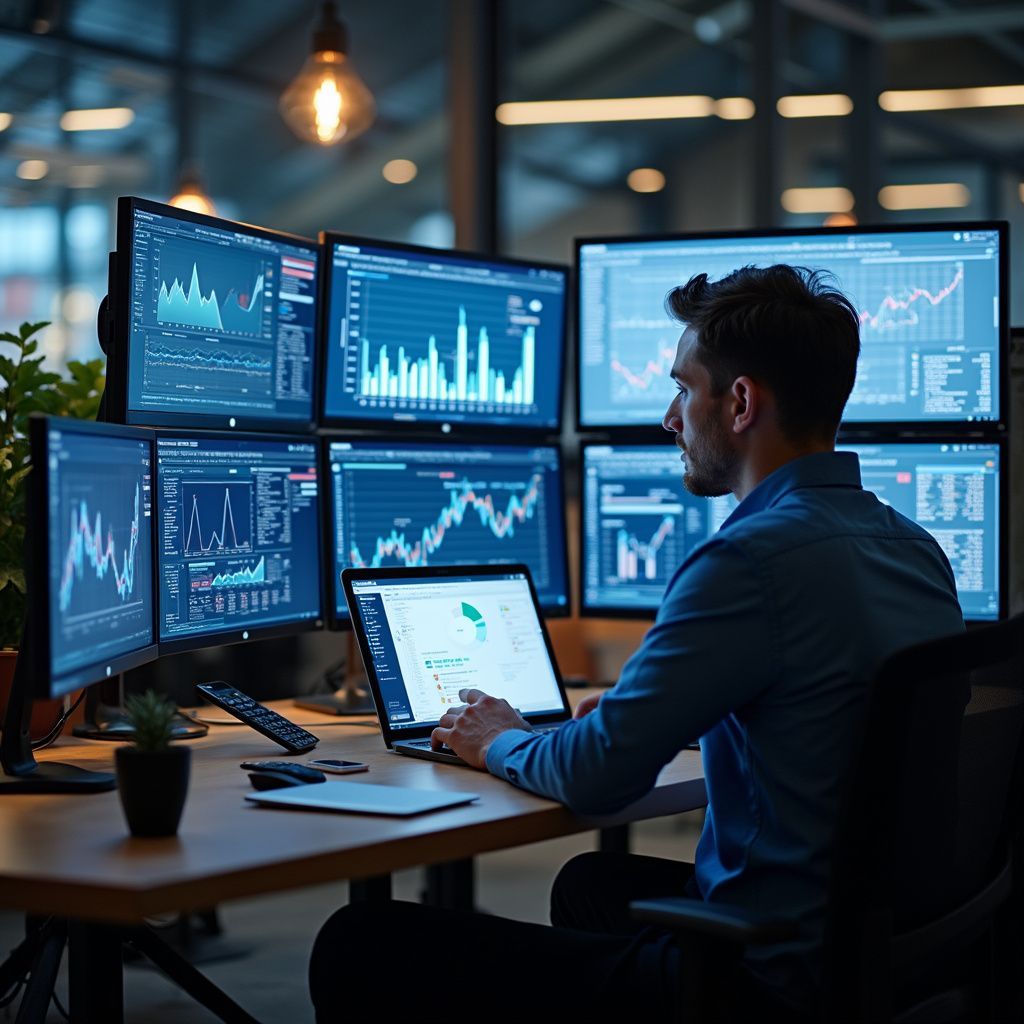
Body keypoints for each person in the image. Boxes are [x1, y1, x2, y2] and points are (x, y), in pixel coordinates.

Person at [308, 265, 964, 1021]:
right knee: (589, 886)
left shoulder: (747, 562)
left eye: (685, 389)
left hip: (770, 981)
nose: (670, 417)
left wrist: (499, 741)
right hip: (884, 948)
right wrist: (641, 707)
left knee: (361, 939)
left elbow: (596, 778)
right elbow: (814, 705)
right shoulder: (910, 545)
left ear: (742, 402)